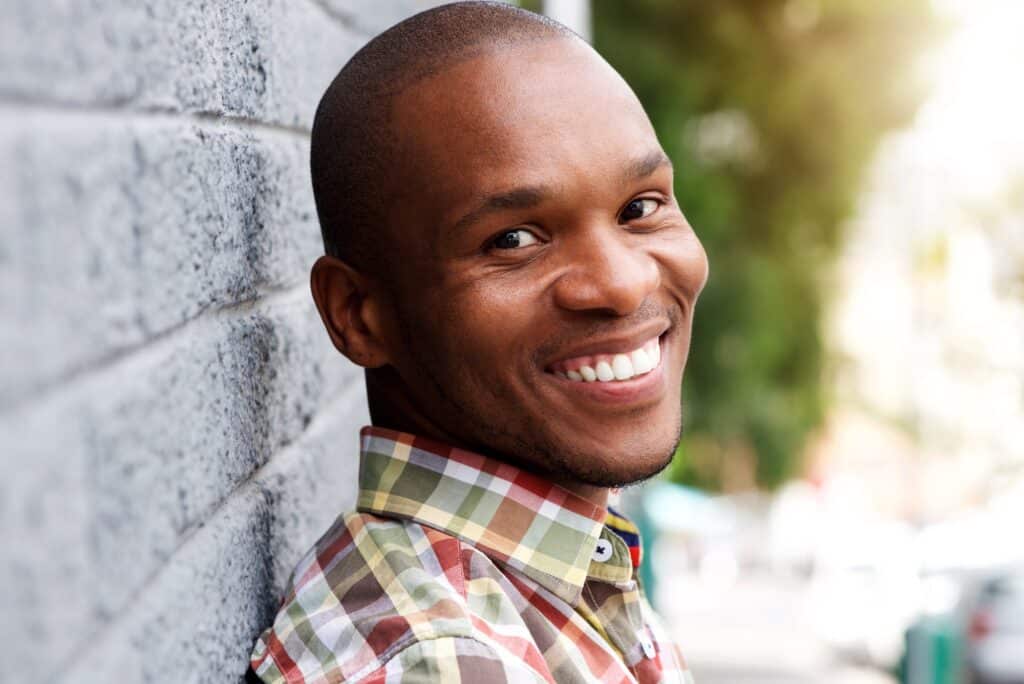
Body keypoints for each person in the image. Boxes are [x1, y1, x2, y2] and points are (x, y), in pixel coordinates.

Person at [249, 2, 708, 682]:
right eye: (513, 240)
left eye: (639, 209)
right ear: (359, 315)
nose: (621, 282)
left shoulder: (559, 580)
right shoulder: (438, 659)